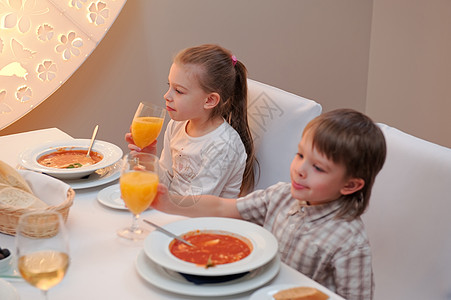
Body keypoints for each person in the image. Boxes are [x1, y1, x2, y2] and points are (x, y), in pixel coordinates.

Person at [150, 109, 387, 300]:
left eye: (318, 168)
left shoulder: (350, 243)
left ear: (350, 185)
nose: (300, 170)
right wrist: (172, 204)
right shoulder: (282, 195)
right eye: (300, 155)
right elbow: (224, 208)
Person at [126, 44, 256, 198]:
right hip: (175, 212)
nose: (167, 96)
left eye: (179, 91)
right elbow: (167, 182)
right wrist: (149, 160)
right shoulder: (176, 125)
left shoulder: (223, 145)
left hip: (204, 220)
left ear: (209, 100)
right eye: (169, 86)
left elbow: (194, 205)